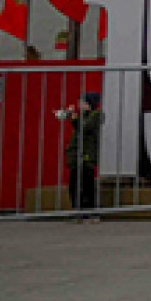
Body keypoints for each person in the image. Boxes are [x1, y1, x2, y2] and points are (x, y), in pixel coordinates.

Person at [56, 88, 102, 219]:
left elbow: (85, 127)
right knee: (73, 185)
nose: (80, 105)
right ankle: (78, 210)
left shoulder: (96, 116)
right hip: (76, 157)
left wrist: (72, 117)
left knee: (87, 186)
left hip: (87, 157)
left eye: (83, 102)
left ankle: (92, 212)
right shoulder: (80, 116)